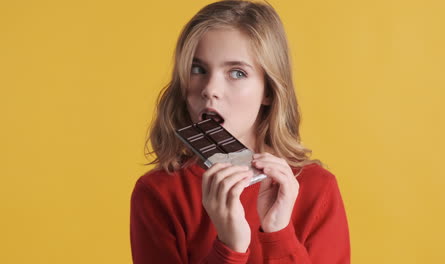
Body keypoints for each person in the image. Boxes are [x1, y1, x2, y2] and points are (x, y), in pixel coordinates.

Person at [130, 0, 350, 263]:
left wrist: (279, 234)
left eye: (236, 73)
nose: (210, 89)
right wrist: (229, 247)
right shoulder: (158, 193)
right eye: (197, 69)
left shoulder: (317, 188)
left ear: (268, 90)